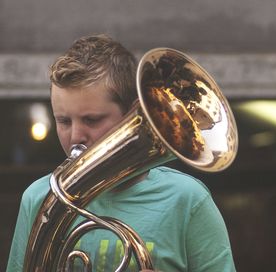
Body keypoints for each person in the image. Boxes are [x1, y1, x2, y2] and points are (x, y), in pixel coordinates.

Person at [6, 34, 236, 271]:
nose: (75, 136)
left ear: (132, 112)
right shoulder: (39, 198)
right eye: (63, 121)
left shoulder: (187, 200)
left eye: (91, 120)